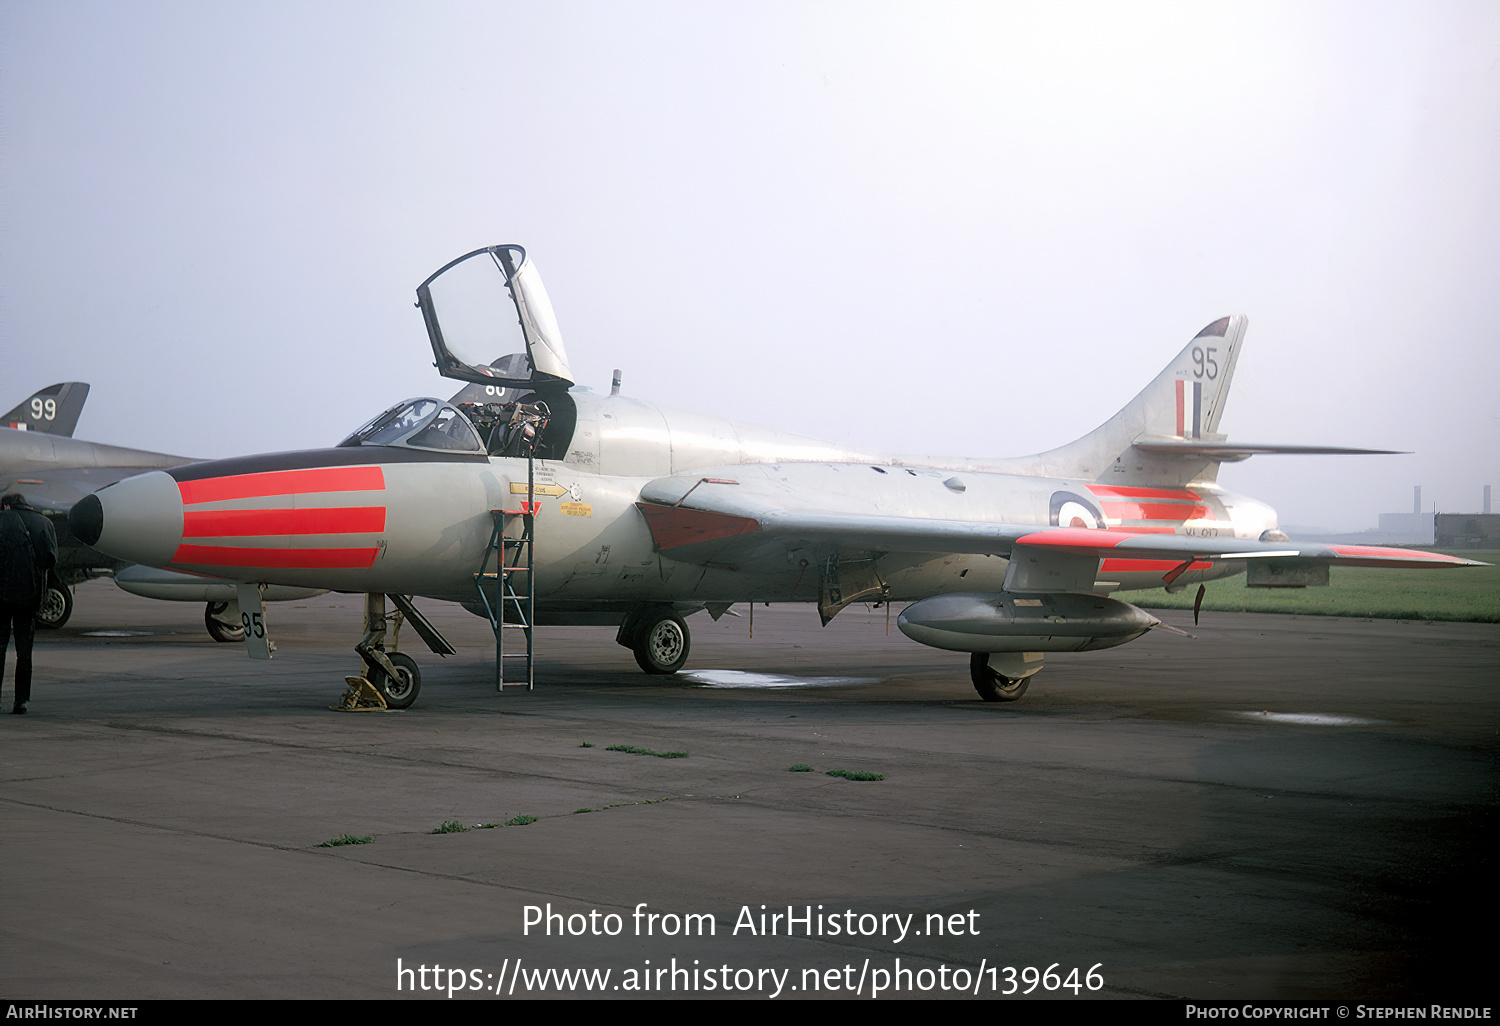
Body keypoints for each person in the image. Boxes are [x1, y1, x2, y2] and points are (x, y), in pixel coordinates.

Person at [0, 492, 58, 714]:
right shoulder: (43, 522)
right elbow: (50, 559)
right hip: (28, 596)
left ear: (6, 505)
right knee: (24, 652)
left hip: (1, 596)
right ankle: (21, 701)